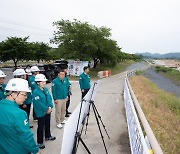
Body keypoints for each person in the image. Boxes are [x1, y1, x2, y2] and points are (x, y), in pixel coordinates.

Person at [0, 78, 39, 154]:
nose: (26, 97)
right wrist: (35, 150)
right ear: (14, 94)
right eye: (24, 94)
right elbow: (26, 136)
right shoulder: (19, 113)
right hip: (18, 150)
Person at [32, 74, 56, 149]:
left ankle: (48, 136)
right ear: (38, 82)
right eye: (42, 82)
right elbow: (38, 103)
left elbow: (49, 98)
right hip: (41, 112)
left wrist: (50, 106)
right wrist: (46, 108)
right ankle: (39, 142)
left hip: (48, 110)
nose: (44, 83)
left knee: (47, 123)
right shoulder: (36, 92)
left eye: (44, 81)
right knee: (41, 126)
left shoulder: (45, 89)